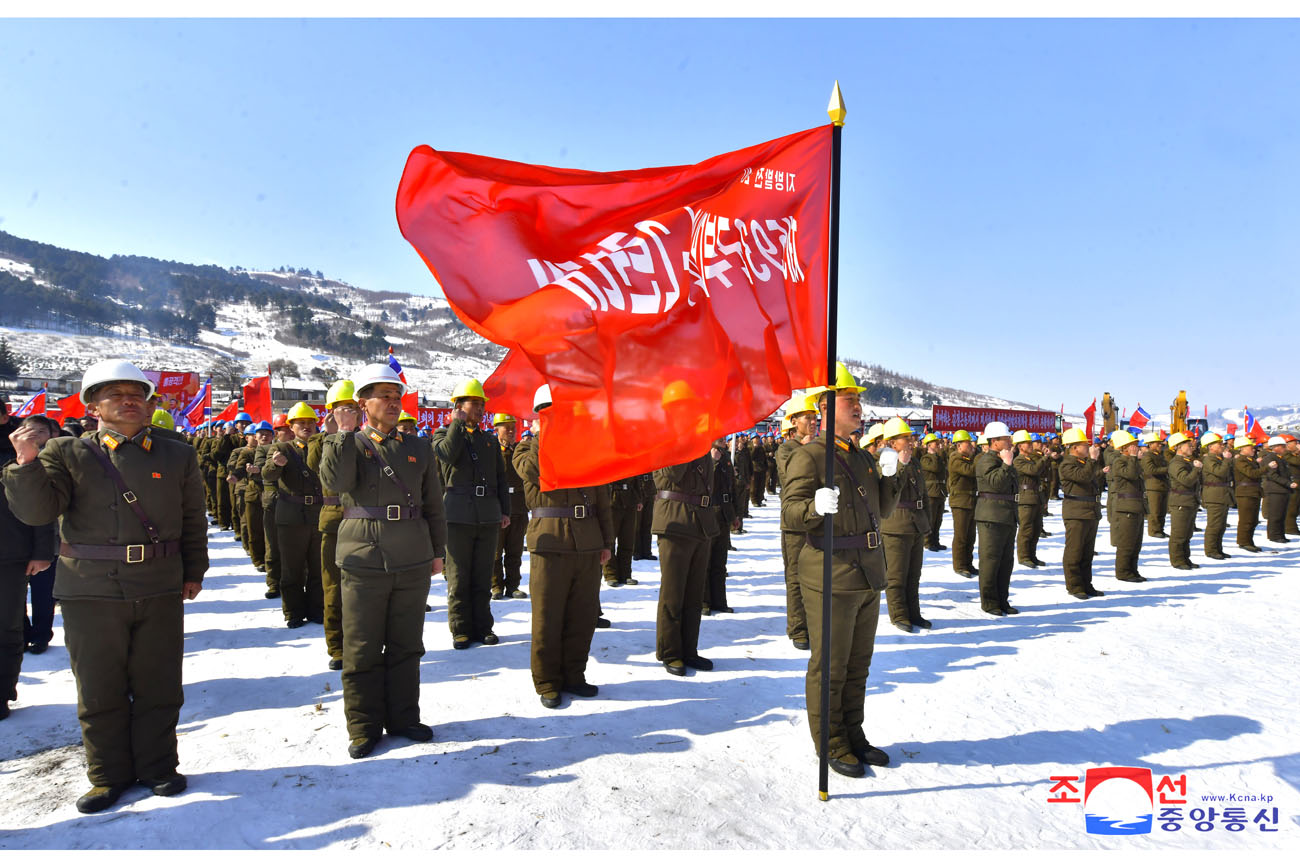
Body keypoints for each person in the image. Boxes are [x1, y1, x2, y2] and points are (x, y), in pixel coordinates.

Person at [4, 359, 207, 813]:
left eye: (136, 393)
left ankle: (159, 767)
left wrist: (194, 570)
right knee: (99, 687)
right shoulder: (65, 453)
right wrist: (25, 463)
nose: (129, 400)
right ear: (93, 405)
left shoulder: (177, 453)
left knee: (159, 684)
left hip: (157, 583)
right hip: (89, 589)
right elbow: (37, 513)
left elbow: (193, 517)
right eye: (114, 394)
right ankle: (106, 776)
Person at [319, 362, 446, 759]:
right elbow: (335, 484)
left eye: (397, 396)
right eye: (383, 396)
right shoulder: (347, 444)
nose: (393, 403)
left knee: (407, 644)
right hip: (363, 557)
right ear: (362, 403)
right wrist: (342, 431)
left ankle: (405, 717)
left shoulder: (417, 447)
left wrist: (438, 551)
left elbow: (433, 505)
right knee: (361, 647)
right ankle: (363, 726)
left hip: (411, 554)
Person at [781, 362, 902, 778]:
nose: (859, 408)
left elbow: (882, 511)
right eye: (851, 400)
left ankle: (854, 733)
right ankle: (830, 741)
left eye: (858, 401)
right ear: (827, 407)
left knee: (858, 665)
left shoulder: (862, 458)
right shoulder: (809, 456)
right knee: (829, 666)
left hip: (867, 573)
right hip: (830, 572)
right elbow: (791, 513)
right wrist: (814, 508)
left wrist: (890, 477)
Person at [514, 385, 614, 708]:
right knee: (547, 616)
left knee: (582, 616)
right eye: (551, 414)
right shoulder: (525, 449)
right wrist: (543, 433)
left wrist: (606, 541)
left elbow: (602, 500)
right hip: (550, 542)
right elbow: (538, 472)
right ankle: (547, 681)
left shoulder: (586, 449)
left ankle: (574, 674)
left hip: (586, 542)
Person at [432, 379, 511, 649]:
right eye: (473, 404)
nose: (479, 409)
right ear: (458, 407)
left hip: (487, 514)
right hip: (457, 515)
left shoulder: (488, 439)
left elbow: (501, 478)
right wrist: (456, 424)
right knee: (459, 576)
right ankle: (461, 629)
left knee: (481, 574)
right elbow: (447, 455)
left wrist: (504, 510)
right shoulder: (444, 434)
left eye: (481, 404)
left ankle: (483, 626)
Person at [1, 415, 59, 720]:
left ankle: (2, 692)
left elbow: (39, 508)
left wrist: (41, 551)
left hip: (10, 550)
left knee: (7, 624)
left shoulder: (17, 448)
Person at [263, 402, 326, 627]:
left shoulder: (322, 446)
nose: (307, 427)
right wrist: (276, 465)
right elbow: (268, 474)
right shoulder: (282, 448)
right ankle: (293, 612)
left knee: (318, 567)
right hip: (291, 516)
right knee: (292, 568)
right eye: (301, 423)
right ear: (291, 426)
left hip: (318, 513)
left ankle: (317, 610)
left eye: (310, 422)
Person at [310, 381, 357, 671]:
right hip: (333, 522)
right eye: (343, 409)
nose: (348, 414)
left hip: (363, 522)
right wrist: (333, 435)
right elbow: (322, 472)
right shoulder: (319, 441)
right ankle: (337, 646)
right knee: (333, 588)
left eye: (352, 408)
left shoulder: (364, 439)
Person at [775, 392, 818, 650]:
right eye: (807, 417)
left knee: (816, 576)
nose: (813, 422)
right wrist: (810, 449)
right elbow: (792, 475)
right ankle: (798, 628)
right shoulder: (786, 449)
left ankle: (814, 624)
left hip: (818, 517)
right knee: (796, 575)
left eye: (815, 417)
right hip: (795, 522)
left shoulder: (815, 445)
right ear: (793, 422)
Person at [879, 417, 930, 632]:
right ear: (892, 443)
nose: (910, 441)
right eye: (905, 438)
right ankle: (899, 614)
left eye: (910, 437)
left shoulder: (915, 461)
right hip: (896, 525)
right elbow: (890, 490)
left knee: (914, 573)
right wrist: (901, 464)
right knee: (897, 574)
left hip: (915, 523)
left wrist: (926, 520)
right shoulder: (885, 460)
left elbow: (923, 493)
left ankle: (913, 612)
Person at [975, 421, 1019, 616]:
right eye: (1005, 439)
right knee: (991, 561)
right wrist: (1007, 464)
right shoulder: (987, 460)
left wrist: (1007, 462)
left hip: (1006, 515)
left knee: (1005, 562)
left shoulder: (1003, 458)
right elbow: (996, 484)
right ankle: (990, 602)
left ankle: (1002, 599)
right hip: (992, 517)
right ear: (994, 441)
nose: (1009, 441)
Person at [1057, 428, 1104, 598]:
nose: (1088, 447)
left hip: (1089, 511)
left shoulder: (1084, 463)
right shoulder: (1067, 464)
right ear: (1074, 448)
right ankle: (1075, 586)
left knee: (1087, 552)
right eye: (1085, 445)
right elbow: (1083, 477)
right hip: (1076, 512)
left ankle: (1086, 583)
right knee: (1074, 551)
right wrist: (1092, 460)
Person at [491, 414, 530, 599]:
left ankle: (513, 585)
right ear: (497, 429)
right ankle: (496, 586)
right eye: (506, 427)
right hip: (499, 507)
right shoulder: (491, 451)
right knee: (496, 552)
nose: (511, 431)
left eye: (513, 427)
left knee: (515, 550)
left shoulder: (520, 451)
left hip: (519, 507)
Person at [1106, 429, 1147, 582]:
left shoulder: (1133, 461)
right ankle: (1123, 572)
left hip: (1136, 505)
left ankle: (1132, 569)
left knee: (1136, 542)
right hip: (1125, 506)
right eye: (1133, 445)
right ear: (1125, 447)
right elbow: (1130, 474)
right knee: (1126, 542)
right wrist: (1134, 458)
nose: (1136, 448)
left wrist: (1136, 459)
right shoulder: (1119, 461)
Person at [1165, 431, 1202, 569]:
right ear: (1179, 447)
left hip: (1189, 500)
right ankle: (1178, 560)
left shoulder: (1187, 461)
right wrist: (1197, 469)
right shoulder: (1176, 463)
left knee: (1187, 533)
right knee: (1179, 533)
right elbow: (1186, 480)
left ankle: (1185, 558)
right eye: (1187, 444)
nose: (1191, 446)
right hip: (1181, 501)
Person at [1011, 430, 1046, 568]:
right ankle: (1024, 556)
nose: (1031, 445)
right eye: (1028, 443)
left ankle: (1032, 555)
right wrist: (1044, 458)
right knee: (1026, 528)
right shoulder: (1018, 460)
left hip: (1035, 496)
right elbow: (1033, 471)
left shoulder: (1031, 459)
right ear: (1020, 446)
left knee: (1036, 528)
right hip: (1025, 497)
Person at [946, 430, 978, 579]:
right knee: (961, 536)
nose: (971, 445)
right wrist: (980, 457)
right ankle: (959, 565)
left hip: (970, 501)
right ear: (959, 445)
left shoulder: (968, 458)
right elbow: (971, 471)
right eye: (968, 442)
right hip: (960, 502)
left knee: (970, 535)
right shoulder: (956, 459)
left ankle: (968, 563)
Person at [1199, 432, 1234, 560]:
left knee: (1221, 524)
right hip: (1214, 495)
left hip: (1221, 494)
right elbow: (1220, 472)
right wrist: (1226, 460)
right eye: (1218, 444)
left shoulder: (1218, 458)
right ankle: (1211, 550)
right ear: (1210, 447)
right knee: (1214, 524)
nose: (1221, 446)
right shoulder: (1209, 459)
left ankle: (1218, 548)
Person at [1261, 435, 1298, 542]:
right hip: (1275, 489)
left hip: (1282, 490)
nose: (1285, 448)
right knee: (1275, 514)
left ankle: (1280, 534)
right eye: (1283, 446)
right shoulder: (1270, 458)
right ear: (1276, 447)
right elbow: (1273, 475)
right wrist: (1288, 483)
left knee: (1282, 513)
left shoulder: (1280, 458)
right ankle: (1274, 535)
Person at [1232, 437, 1263, 551]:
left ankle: (1249, 540)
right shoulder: (1240, 460)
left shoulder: (1250, 460)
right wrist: (1266, 468)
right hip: (1245, 492)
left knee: (1253, 519)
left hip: (1253, 491)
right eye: (1251, 447)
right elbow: (1251, 473)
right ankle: (1243, 541)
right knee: (1246, 519)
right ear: (1243, 449)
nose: (1253, 450)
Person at [919, 432, 948, 552]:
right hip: (931, 492)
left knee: (938, 519)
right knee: (930, 519)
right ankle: (928, 541)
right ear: (929, 445)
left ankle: (935, 540)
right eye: (935, 443)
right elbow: (935, 468)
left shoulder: (938, 457)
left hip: (939, 491)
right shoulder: (925, 458)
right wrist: (934, 455)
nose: (938, 445)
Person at [1141, 433, 1170, 538]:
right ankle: (1154, 530)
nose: (1160, 445)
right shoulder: (1147, 456)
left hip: (1163, 486)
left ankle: (1160, 529)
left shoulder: (1160, 456)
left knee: (1162, 511)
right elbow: (1150, 470)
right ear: (1150, 444)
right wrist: (1167, 469)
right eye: (1157, 443)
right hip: (1153, 487)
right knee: (1155, 511)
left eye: (1160, 443)